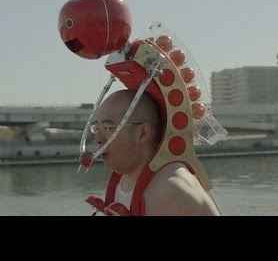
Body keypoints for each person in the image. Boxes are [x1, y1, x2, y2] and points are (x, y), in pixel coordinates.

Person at [91, 89, 221, 216]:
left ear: (143, 133)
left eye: (107, 128)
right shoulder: (123, 178)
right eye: (96, 128)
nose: (98, 139)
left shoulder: (171, 188)